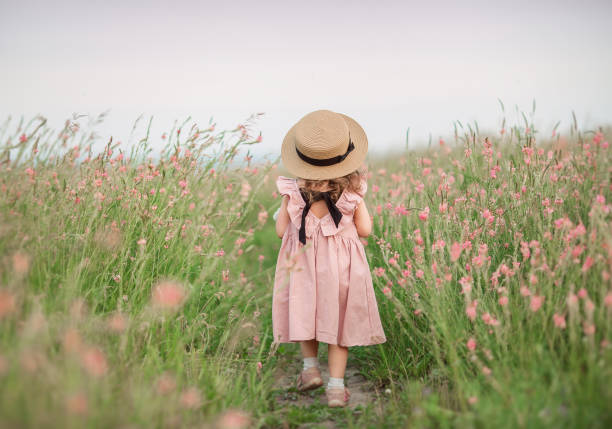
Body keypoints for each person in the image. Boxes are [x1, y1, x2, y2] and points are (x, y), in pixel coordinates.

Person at [272, 109, 386, 408]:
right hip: (342, 266)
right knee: (338, 323)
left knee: (304, 312)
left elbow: (281, 229)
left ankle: (310, 369)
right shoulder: (353, 191)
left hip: (303, 262)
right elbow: (365, 229)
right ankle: (336, 388)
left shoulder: (292, 191)